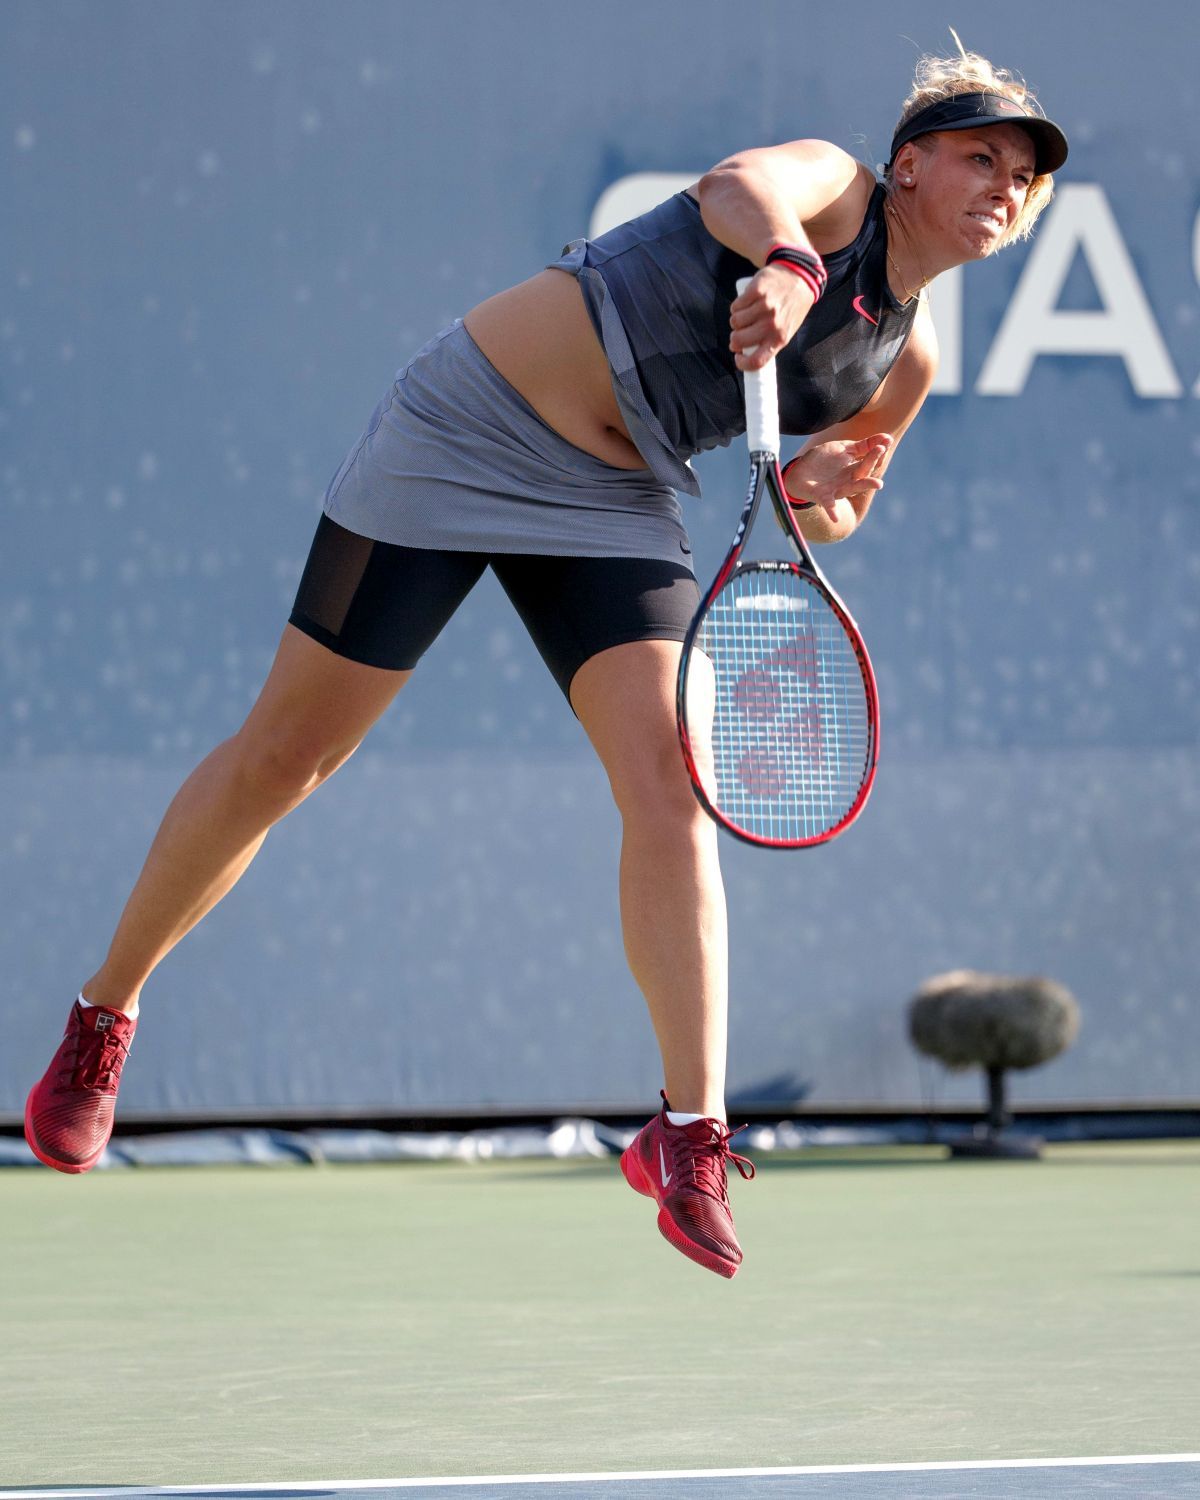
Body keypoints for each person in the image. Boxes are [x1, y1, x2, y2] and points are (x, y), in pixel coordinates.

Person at [24, 44, 1067, 1279]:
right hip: (466, 424)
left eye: (1024, 176)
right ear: (907, 166)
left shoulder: (909, 361)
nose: (1005, 184)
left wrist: (827, 496)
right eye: (979, 156)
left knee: (674, 785)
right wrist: (787, 262)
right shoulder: (830, 191)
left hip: (613, 498)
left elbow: (813, 508)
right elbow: (737, 185)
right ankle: (106, 1012)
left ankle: (688, 1132)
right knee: (287, 757)